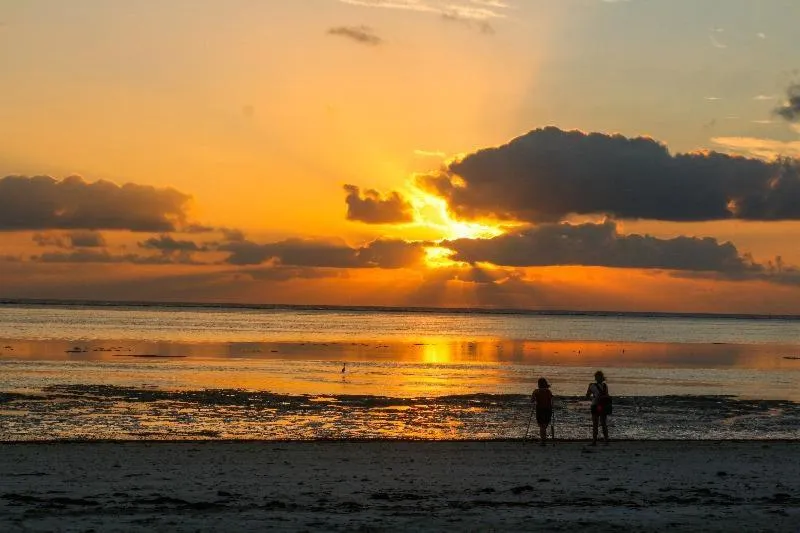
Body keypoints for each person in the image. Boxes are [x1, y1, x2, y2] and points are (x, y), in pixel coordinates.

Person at [586, 370, 611, 445]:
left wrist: (593, 396)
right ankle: (606, 440)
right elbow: (606, 395)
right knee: (603, 423)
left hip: (595, 405)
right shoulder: (605, 386)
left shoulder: (591, 385)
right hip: (603, 405)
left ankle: (594, 441)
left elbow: (587, 395)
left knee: (595, 424)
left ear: (595, 378)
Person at [530, 377, 553, 446]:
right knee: (544, 426)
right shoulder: (548, 391)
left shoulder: (536, 391)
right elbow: (551, 400)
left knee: (542, 426)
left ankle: (543, 441)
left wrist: (535, 399)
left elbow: (532, 401)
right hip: (548, 410)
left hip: (540, 410)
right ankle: (543, 440)